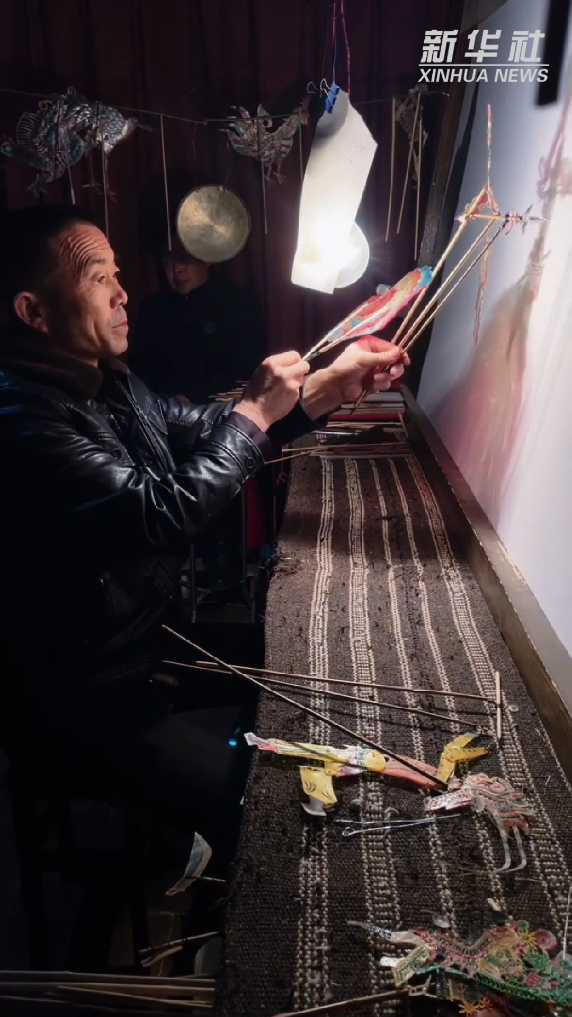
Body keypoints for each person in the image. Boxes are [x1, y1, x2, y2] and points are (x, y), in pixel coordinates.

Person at [0, 204, 408, 869]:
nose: (122, 294)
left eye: (117, 274)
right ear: (34, 312)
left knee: (306, 672)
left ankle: (205, 846)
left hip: (144, 643)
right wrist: (255, 411)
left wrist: (327, 388)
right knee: (281, 797)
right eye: (99, 278)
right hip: (82, 699)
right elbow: (158, 511)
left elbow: (199, 428)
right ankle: (224, 875)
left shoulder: (102, 380)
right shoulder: (20, 414)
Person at [130, 239, 266, 402]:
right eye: (167, 263)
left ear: (206, 259)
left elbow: (250, 367)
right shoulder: (153, 309)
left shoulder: (239, 303)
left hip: (228, 406)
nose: (176, 269)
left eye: (184, 259)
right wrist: (168, 400)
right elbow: (142, 372)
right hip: (167, 409)